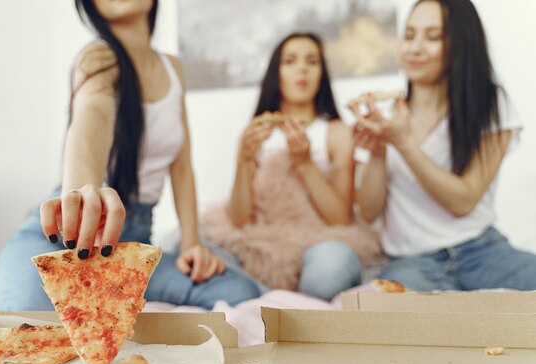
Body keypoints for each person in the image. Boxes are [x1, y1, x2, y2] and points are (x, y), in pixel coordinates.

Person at [0, 0, 261, 311]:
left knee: (239, 290)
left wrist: (192, 243)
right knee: (30, 320)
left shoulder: (172, 68)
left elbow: (182, 167)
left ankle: (100, 296)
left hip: (132, 244)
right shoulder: (96, 58)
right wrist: (82, 190)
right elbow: (93, 117)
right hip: (63, 240)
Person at [352, 0, 536, 291]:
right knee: (393, 310)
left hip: (482, 251)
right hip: (412, 261)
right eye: (409, 35)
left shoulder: (491, 103)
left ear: (461, 44)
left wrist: (404, 144)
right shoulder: (387, 117)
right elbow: (369, 212)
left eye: (433, 37)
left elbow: (463, 201)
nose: (415, 48)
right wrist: (377, 151)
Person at [203, 33, 382, 300]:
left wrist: (305, 163)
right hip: (264, 247)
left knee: (330, 267)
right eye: (290, 61)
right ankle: (278, 300)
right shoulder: (259, 131)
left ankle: (272, 301)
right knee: (197, 250)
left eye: (312, 61)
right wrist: (243, 161)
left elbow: (340, 219)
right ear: (277, 73)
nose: (302, 69)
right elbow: (240, 219)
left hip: (319, 243)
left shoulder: (335, 132)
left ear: (321, 73)